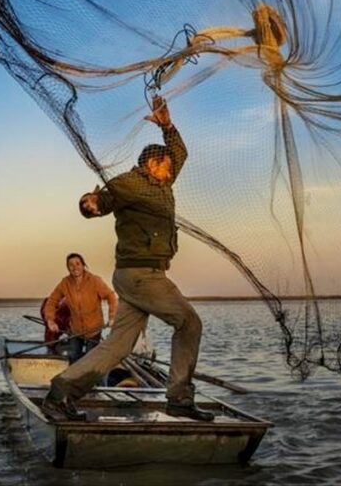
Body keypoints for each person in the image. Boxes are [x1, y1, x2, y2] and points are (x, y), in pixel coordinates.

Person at [42, 95, 214, 422]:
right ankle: (178, 398)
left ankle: (61, 393)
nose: (170, 170)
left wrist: (167, 126)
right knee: (189, 323)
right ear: (151, 165)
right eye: (165, 166)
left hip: (137, 276)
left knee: (118, 347)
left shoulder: (163, 181)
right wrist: (88, 204)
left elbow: (180, 153)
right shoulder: (129, 184)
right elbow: (100, 202)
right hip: (141, 275)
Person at [43, 253, 118, 362]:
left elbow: (111, 297)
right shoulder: (65, 283)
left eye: (78, 264)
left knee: (90, 359)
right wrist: (50, 320)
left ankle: (92, 377)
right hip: (75, 330)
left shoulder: (95, 281)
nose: (75, 267)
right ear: (68, 268)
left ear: (83, 265)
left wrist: (112, 317)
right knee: (73, 357)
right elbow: (52, 301)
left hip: (94, 329)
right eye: (71, 265)